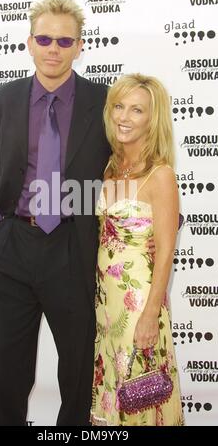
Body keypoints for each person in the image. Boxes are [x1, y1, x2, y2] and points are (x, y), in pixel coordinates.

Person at [0, 0, 154, 426]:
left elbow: (129, 162)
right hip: (14, 246)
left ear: (80, 46)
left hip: (75, 247)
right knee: (8, 367)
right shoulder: (4, 98)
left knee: (78, 368)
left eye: (64, 40)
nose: (53, 48)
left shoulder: (104, 101)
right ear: (29, 43)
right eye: (44, 38)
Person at [90, 74, 184, 426]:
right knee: (109, 401)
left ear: (152, 119)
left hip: (140, 304)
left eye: (136, 110)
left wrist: (149, 316)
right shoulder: (110, 168)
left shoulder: (160, 175)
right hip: (107, 308)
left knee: (140, 400)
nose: (123, 117)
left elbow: (165, 253)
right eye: (118, 106)